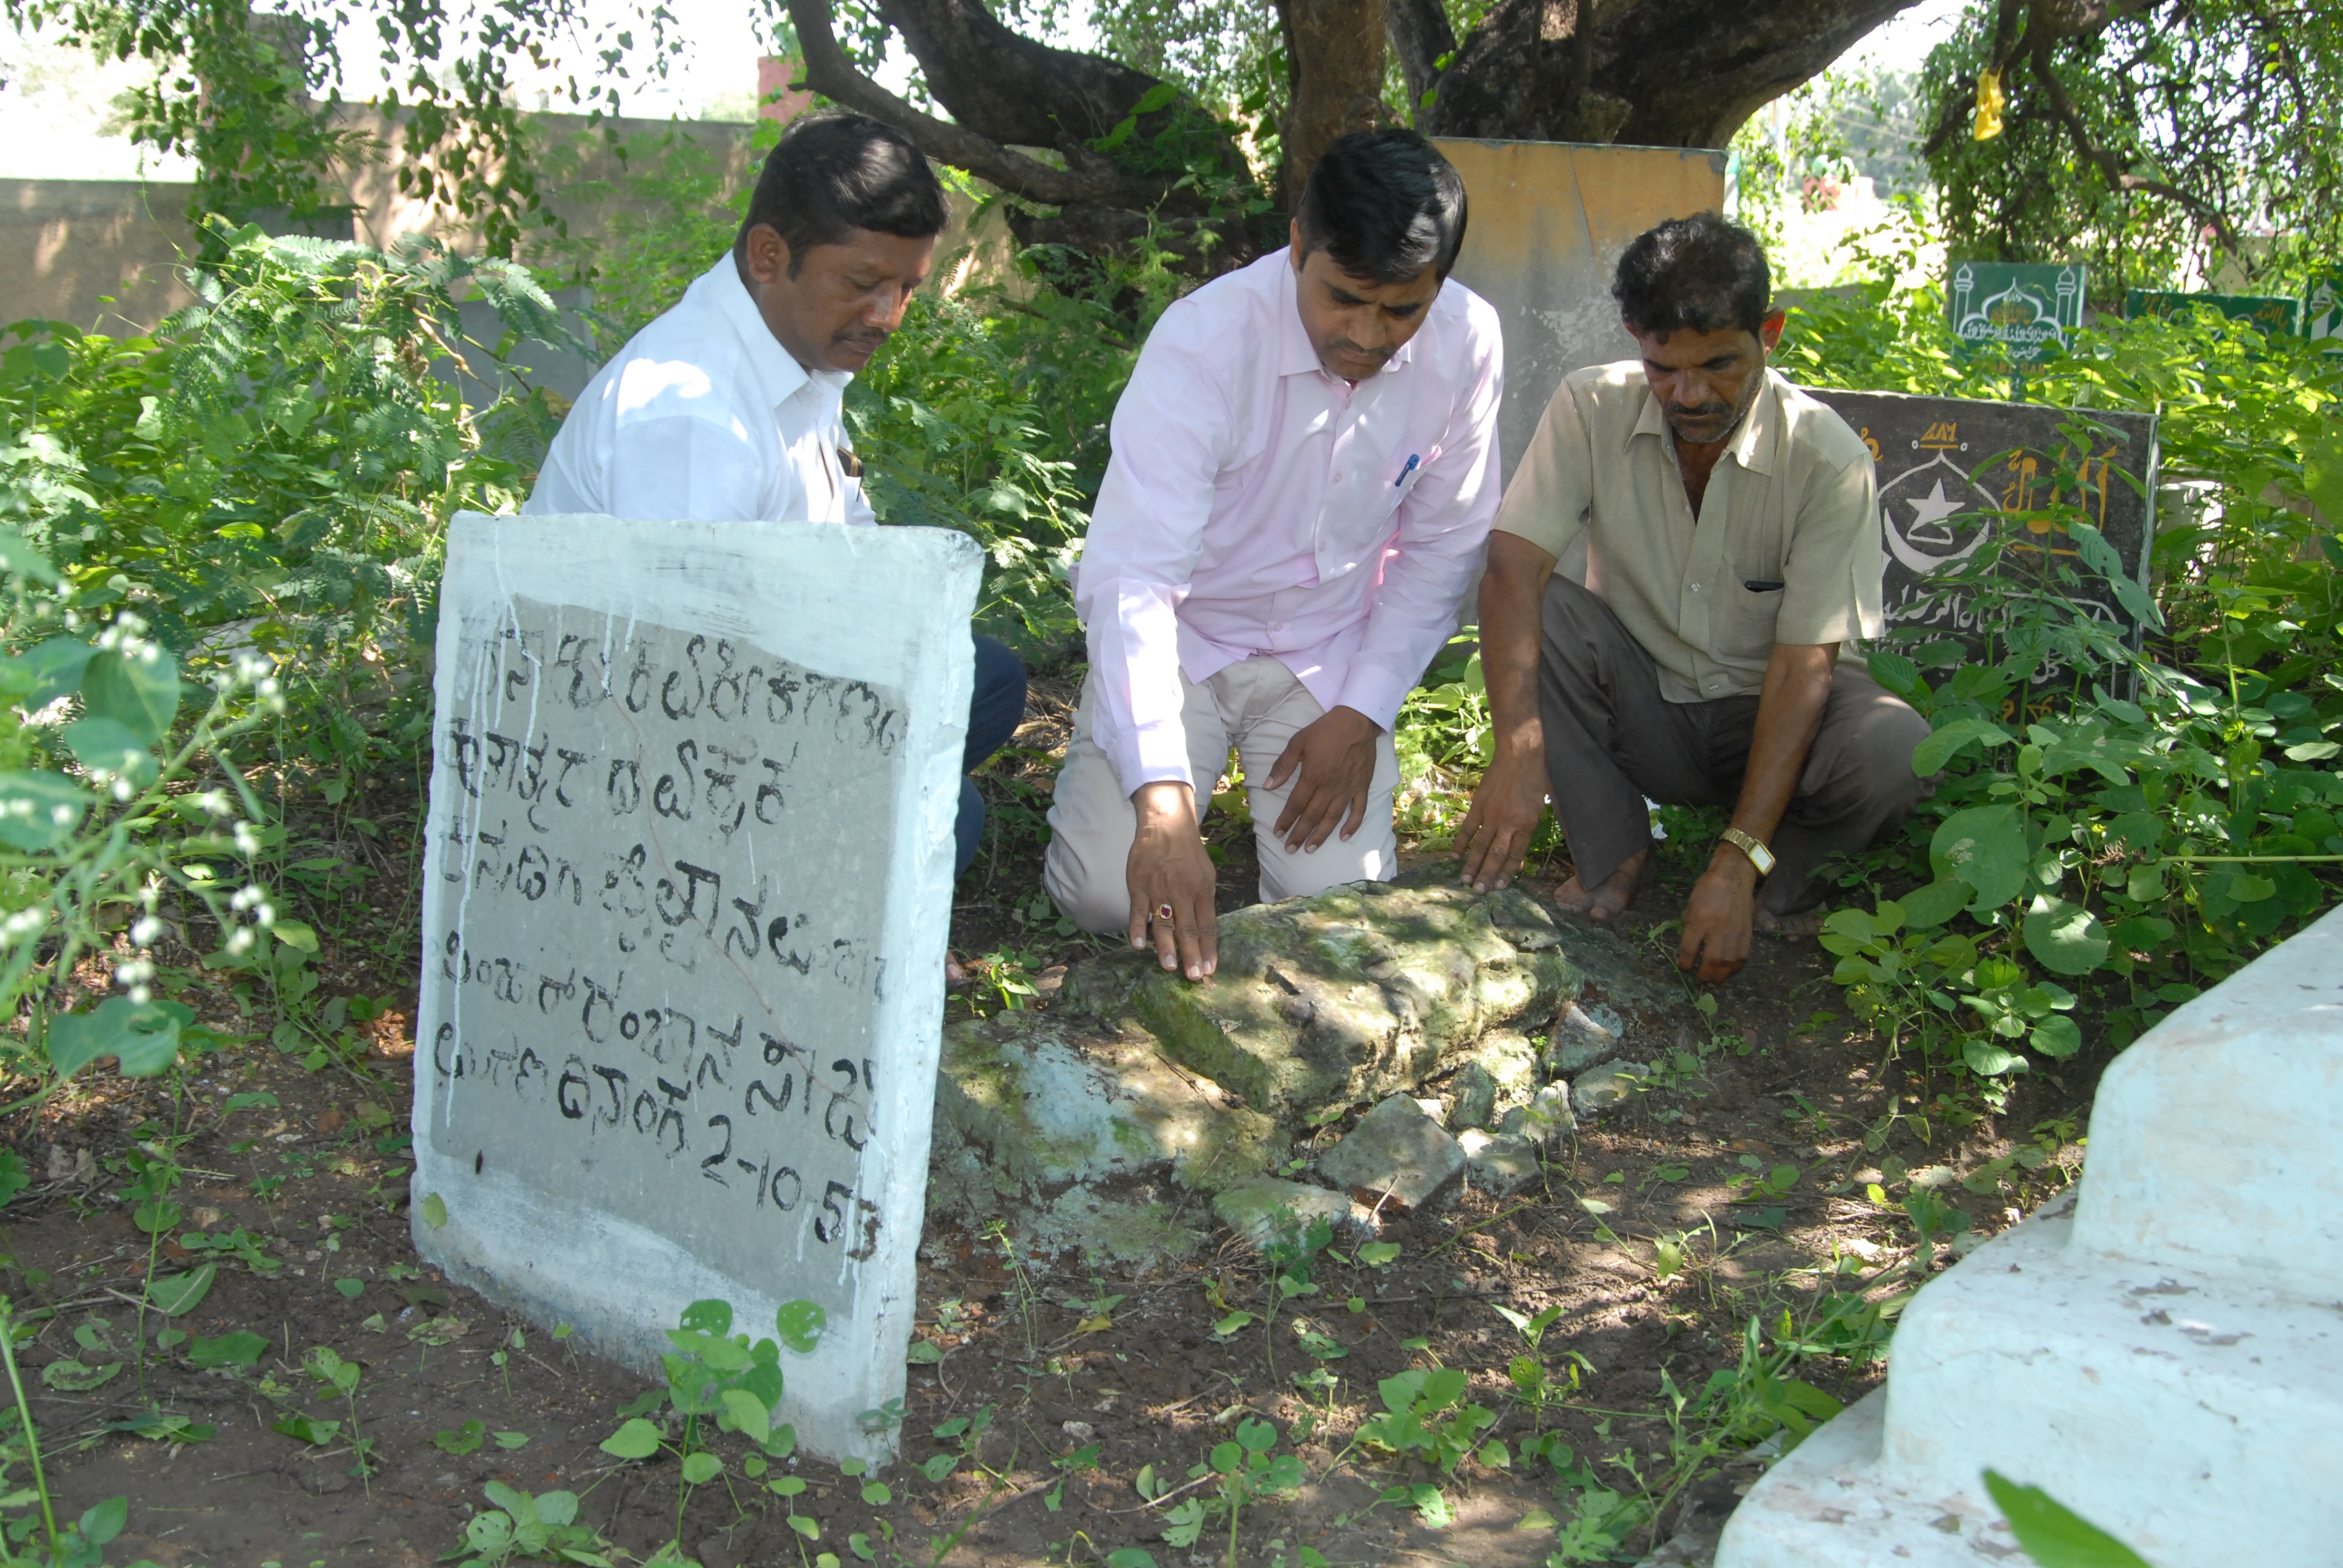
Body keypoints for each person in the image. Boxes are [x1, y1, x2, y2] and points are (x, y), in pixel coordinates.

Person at [1043, 129, 1504, 982]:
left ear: (1440, 287)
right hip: (1186, 639)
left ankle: (1253, 807)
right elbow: (1135, 580)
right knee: (1108, 897)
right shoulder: (1204, 345)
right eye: (1344, 299)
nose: (1368, 337)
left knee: (1337, 906)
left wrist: (1362, 712)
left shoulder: (1470, 345)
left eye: (1402, 310)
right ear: (1298, 245)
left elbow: (1441, 546)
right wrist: (1163, 806)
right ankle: (1138, 756)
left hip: (1327, 653)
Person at [525, 111, 1027, 883]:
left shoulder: (800, 343)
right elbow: (679, 685)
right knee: (946, 815)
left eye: (905, 288)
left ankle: (838, 842)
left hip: (770, 660)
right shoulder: (691, 413)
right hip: (631, 744)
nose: (888, 317)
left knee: (984, 678)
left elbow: (842, 541)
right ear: (769, 255)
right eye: (864, 284)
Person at [1453, 212, 1929, 982]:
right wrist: (1519, 748)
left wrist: (1736, 861)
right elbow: (1512, 565)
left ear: (1767, 332)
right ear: (1635, 338)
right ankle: (1615, 850)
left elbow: (1802, 668)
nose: (1690, 394)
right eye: (1663, 368)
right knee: (1545, 608)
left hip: (1767, 716)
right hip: (1645, 709)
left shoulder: (1826, 458)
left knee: (1891, 748)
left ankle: (1769, 885)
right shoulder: (1589, 406)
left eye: (1718, 365)